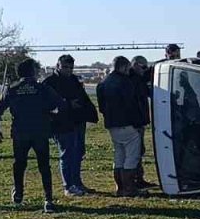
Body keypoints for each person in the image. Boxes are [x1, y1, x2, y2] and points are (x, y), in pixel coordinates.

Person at [0, 59, 64, 213]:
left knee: (19, 163)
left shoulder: (12, 89)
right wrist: (51, 114)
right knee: (44, 166)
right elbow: (60, 104)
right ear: (32, 71)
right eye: (36, 69)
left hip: (20, 132)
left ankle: (18, 193)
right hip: (40, 132)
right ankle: (48, 199)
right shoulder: (42, 88)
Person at [42, 54, 99, 196]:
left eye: (70, 68)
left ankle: (77, 183)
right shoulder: (49, 82)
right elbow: (47, 105)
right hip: (61, 123)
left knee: (78, 152)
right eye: (65, 67)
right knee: (67, 154)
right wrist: (67, 104)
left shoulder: (73, 79)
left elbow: (83, 97)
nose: (68, 70)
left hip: (77, 121)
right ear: (58, 66)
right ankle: (68, 185)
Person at [97, 56, 145, 197]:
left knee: (119, 156)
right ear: (124, 67)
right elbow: (131, 105)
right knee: (131, 156)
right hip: (127, 123)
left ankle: (120, 187)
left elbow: (101, 107)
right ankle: (129, 188)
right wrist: (137, 123)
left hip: (112, 124)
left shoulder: (103, 83)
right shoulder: (125, 82)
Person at [129, 55, 155, 189]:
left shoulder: (137, 79)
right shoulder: (133, 80)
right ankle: (134, 180)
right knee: (135, 152)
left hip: (139, 120)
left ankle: (139, 178)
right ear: (135, 65)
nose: (145, 70)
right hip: (135, 121)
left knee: (140, 150)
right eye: (143, 67)